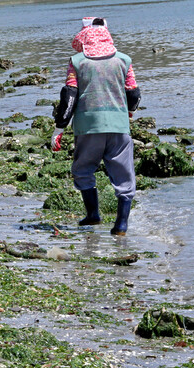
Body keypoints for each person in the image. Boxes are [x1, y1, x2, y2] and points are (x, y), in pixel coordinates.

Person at [52, 17, 141, 236]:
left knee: (83, 170)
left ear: (84, 37)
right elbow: (134, 94)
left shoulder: (77, 61)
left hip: (88, 128)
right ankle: (121, 226)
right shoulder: (124, 60)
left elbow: (69, 96)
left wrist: (59, 128)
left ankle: (93, 215)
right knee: (124, 176)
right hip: (119, 127)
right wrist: (129, 113)